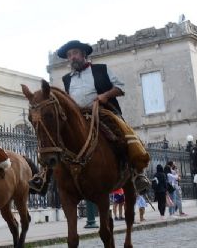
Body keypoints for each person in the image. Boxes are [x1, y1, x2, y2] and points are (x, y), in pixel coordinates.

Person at [28, 40, 151, 195]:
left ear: (83, 55)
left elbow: (121, 87)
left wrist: (104, 96)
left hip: (101, 111)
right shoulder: (67, 79)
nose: (72, 57)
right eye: (69, 55)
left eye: (75, 53)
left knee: (123, 132)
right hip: (77, 116)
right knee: (55, 138)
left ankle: (138, 172)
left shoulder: (101, 69)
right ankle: (43, 175)